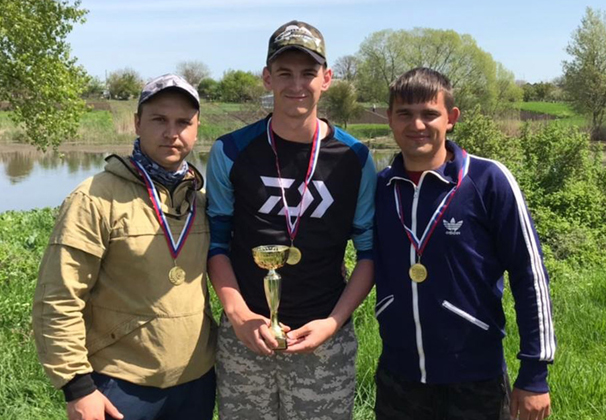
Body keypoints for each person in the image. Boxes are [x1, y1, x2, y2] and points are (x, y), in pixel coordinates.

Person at [206, 20, 376, 420]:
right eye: (284, 73)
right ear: (268, 77)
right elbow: (217, 243)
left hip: (323, 341)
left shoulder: (355, 158)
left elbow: (368, 253)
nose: (296, 84)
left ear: (327, 78)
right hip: (246, 337)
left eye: (308, 73)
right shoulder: (230, 151)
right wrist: (238, 315)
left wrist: (333, 324)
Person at [373, 67, 555, 420]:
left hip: (475, 378)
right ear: (390, 119)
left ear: (451, 118)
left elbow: (529, 275)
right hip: (399, 376)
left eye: (429, 114)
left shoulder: (489, 180)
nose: (417, 125)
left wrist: (535, 372)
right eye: (405, 114)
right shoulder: (380, 187)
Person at [33, 74, 217, 420]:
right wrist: (77, 386)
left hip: (196, 381)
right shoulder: (95, 198)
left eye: (183, 122)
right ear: (136, 123)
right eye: (159, 119)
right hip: (119, 384)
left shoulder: (204, 201)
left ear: (196, 128)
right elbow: (58, 298)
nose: (171, 132)